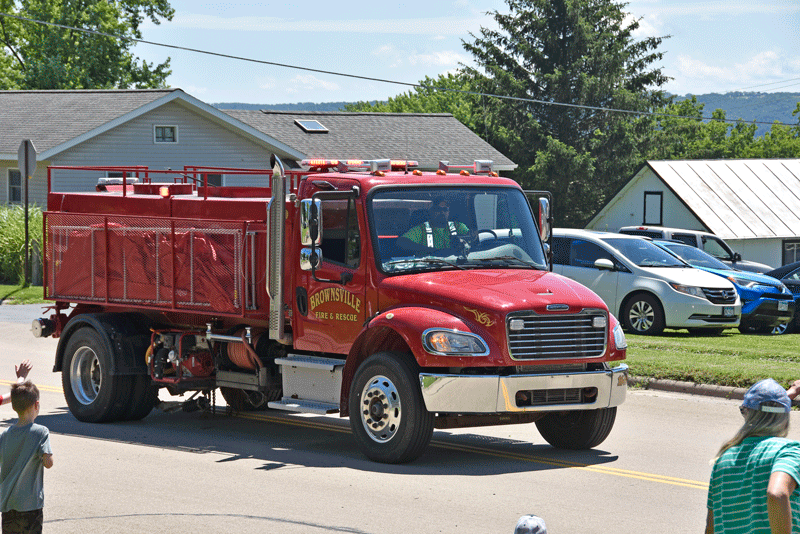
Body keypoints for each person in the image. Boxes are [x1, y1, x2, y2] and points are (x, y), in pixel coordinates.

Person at [706, 378, 800, 534]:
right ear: (786, 417)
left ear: (746, 414)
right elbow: (777, 494)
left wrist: (791, 392)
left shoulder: (724, 459)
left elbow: (711, 527)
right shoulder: (787, 452)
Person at [0, 379, 53, 534]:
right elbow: (48, 462)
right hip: (30, 506)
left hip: (8, 504)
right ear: (36, 405)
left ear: (14, 406)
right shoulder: (41, 432)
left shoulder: (5, 435)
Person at [396, 196, 473, 255]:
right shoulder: (421, 229)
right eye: (437, 209)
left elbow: (473, 238)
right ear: (431, 212)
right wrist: (428, 250)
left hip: (456, 267)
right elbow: (401, 242)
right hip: (429, 268)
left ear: (448, 212)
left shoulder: (459, 226)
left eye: (445, 209)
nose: (442, 212)